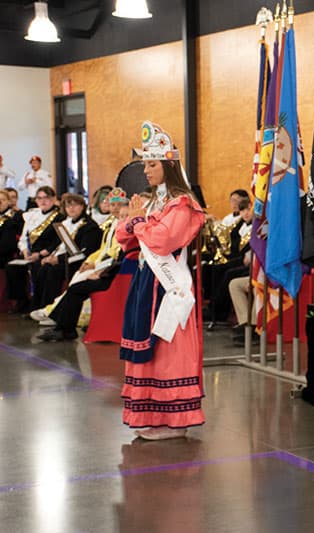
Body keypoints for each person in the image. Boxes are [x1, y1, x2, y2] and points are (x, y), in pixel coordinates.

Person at [116, 121, 205, 440]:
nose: (146, 170)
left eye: (152, 164)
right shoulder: (152, 201)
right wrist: (135, 222)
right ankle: (152, 415)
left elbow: (163, 240)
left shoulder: (184, 204)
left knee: (167, 348)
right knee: (146, 349)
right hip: (145, 283)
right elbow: (124, 235)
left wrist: (137, 222)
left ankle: (174, 420)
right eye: (145, 164)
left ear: (168, 165)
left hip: (170, 289)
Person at [37, 188, 131, 341]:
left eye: (123, 212)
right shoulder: (112, 225)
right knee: (74, 280)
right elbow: (102, 249)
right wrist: (89, 262)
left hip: (112, 272)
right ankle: (60, 322)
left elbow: (117, 256)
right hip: (102, 266)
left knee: (76, 286)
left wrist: (98, 269)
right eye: (113, 206)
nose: (116, 210)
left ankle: (62, 324)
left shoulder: (126, 231)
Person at [31, 194, 101, 311]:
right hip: (64, 258)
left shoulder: (89, 227)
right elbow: (57, 245)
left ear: (82, 207)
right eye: (68, 205)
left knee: (53, 271)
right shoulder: (65, 224)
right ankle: (37, 307)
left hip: (78, 261)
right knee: (41, 267)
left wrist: (58, 259)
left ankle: (51, 309)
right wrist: (49, 257)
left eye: (75, 205)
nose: (71, 208)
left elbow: (84, 252)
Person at [6, 185, 64, 312]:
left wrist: (40, 254)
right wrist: (25, 250)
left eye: (46, 198)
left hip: (46, 254)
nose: (43, 201)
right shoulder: (32, 215)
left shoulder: (60, 217)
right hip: (30, 253)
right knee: (12, 267)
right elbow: (23, 236)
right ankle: (22, 301)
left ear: (53, 199)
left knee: (39, 268)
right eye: (39, 198)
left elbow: (58, 241)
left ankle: (38, 306)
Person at [0, 189, 23, 267]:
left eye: (3, 199)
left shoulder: (15, 217)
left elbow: (7, 244)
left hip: (7, 254)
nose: (0, 202)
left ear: (8, 202)